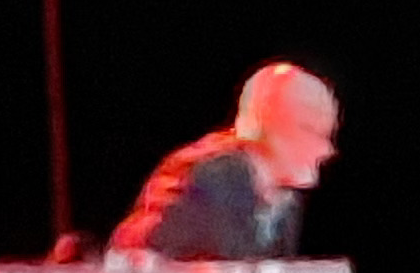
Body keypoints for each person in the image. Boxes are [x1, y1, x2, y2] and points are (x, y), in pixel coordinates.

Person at [110, 61, 340, 259]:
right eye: (311, 131)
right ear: (269, 126)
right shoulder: (207, 177)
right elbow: (133, 264)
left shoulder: (285, 201)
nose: (327, 150)